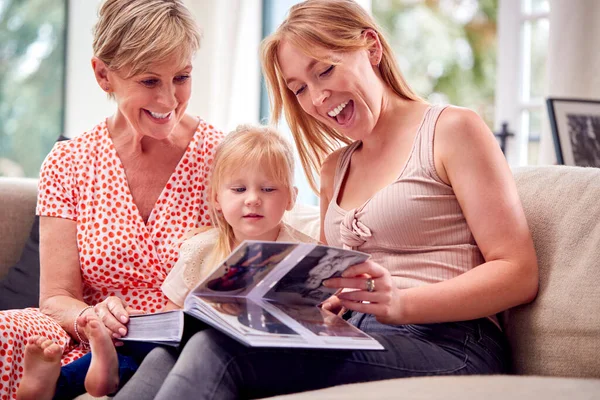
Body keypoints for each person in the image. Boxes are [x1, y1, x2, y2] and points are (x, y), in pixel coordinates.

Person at [115, 1, 539, 399]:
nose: (317, 99)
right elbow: (330, 281)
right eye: (299, 88)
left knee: (220, 351)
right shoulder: (335, 167)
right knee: (171, 348)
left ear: (370, 47)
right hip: (356, 333)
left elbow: (518, 272)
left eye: (325, 71)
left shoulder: (452, 130)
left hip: (450, 343)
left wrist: (404, 303)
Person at [2, 0, 225, 399]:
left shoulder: (223, 157)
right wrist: (89, 319)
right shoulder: (69, 162)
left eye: (182, 77)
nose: (170, 100)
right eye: (149, 81)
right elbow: (55, 298)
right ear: (104, 75)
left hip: (185, 342)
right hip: (91, 343)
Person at [160, 124, 318, 308]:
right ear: (216, 198)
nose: (252, 200)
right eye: (239, 189)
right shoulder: (197, 252)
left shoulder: (309, 255)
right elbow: (172, 316)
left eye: (268, 189)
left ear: (291, 198)